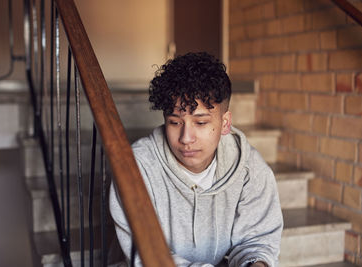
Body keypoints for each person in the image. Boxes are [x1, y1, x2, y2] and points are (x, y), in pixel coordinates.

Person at [109, 52, 283, 267]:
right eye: (175, 122)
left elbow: (257, 240)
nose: (186, 138)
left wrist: (256, 264)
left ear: (225, 123)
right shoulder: (136, 168)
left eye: (200, 123)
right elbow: (149, 255)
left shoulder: (249, 168)